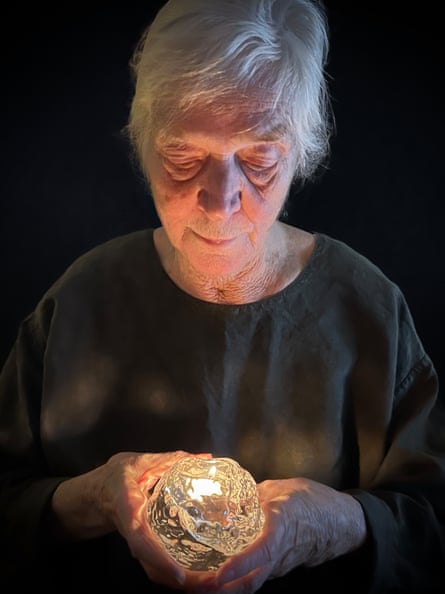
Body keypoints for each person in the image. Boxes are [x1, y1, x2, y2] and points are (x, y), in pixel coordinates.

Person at [0, 0, 444, 592]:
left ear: (301, 154)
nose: (220, 199)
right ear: (145, 144)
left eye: (259, 159)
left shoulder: (369, 313)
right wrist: (92, 500)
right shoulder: (78, 304)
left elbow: (432, 529)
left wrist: (338, 523)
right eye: (183, 157)